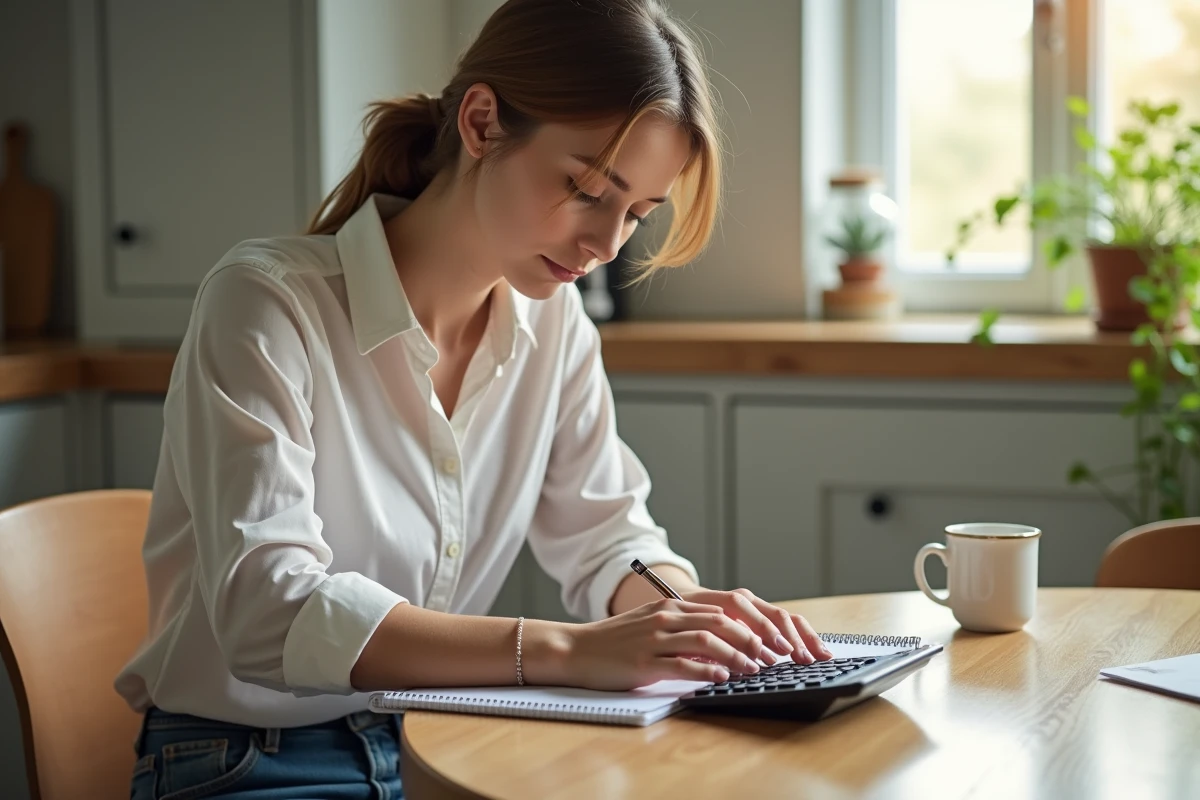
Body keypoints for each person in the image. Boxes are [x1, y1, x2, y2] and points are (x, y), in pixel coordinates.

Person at [117, 0, 833, 796]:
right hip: (248, 758)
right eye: (587, 188)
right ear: (483, 123)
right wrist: (563, 652)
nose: (606, 246)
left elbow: (606, 538)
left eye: (636, 214)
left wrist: (694, 619)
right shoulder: (267, 302)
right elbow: (268, 610)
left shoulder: (554, 324)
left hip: (444, 734)